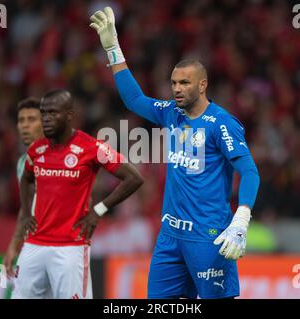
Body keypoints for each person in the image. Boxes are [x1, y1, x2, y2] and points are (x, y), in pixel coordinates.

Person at [90, 7, 260, 298]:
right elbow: (134, 99)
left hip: (208, 236)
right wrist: (113, 49)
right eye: (174, 83)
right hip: (170, 236)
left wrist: (241, 220)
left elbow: (250, 172)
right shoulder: (172, 113)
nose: (177, 89)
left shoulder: (221, 124)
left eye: (184, 83)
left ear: (202, 85)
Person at [12, 89, 144, 299]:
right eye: (43, 113)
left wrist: (98, 210)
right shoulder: (36, 150)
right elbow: (26, 178)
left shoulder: (91, 147)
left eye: (53, 113)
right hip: (34, 245)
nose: (46, 119)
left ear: (69, 115)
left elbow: (134, 178)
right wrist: (27, 212)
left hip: (70, 247)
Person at [3, 97, 44, 281]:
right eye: (21, 120)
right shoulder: (22, 163)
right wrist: (14, 245)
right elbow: (25, 208)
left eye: (31, 119)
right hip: (33, 245)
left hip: (63, 246)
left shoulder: (62, 156)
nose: (25, 126)